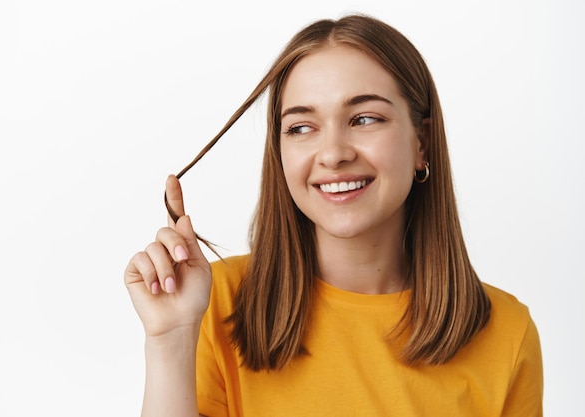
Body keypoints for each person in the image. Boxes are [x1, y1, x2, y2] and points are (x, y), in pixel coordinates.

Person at [124, 14, 543, 417]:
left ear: (422, 143)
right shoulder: (215, 304)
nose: (333, 154)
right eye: (302, 127)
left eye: (364, 119)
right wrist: (171, 342)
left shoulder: (507, 332)